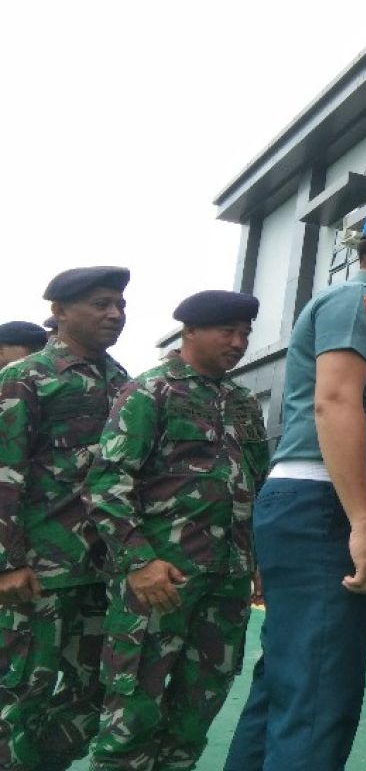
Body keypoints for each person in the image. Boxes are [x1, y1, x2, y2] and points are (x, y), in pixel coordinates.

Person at [224, 206, 366, 771]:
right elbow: (336, 401)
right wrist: (361, 522)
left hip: (314, 505)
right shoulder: (360, 303)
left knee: (288, 681)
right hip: (324, 506)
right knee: (321, 690)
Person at [84, 291, 268, 770]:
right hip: (161, 583)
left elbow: (256, 484)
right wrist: (139, 562)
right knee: (132, 717)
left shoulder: (243, 402)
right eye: (226, 331)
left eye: (245, 333)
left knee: (194, 716)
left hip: (225, 583)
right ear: (189, 331)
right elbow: (107, 482)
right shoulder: (151, 391)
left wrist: (258, 561)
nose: (238, 342)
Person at [0, 266, 131, 771]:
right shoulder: (24, 378)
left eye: (119, 304)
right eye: (101, 304)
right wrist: (6, 563)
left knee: (94, 692)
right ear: (59, 312)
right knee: (20, 694)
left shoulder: (124, 383)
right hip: (37, 573)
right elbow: (4, 472)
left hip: (102, 572)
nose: (114, 314)